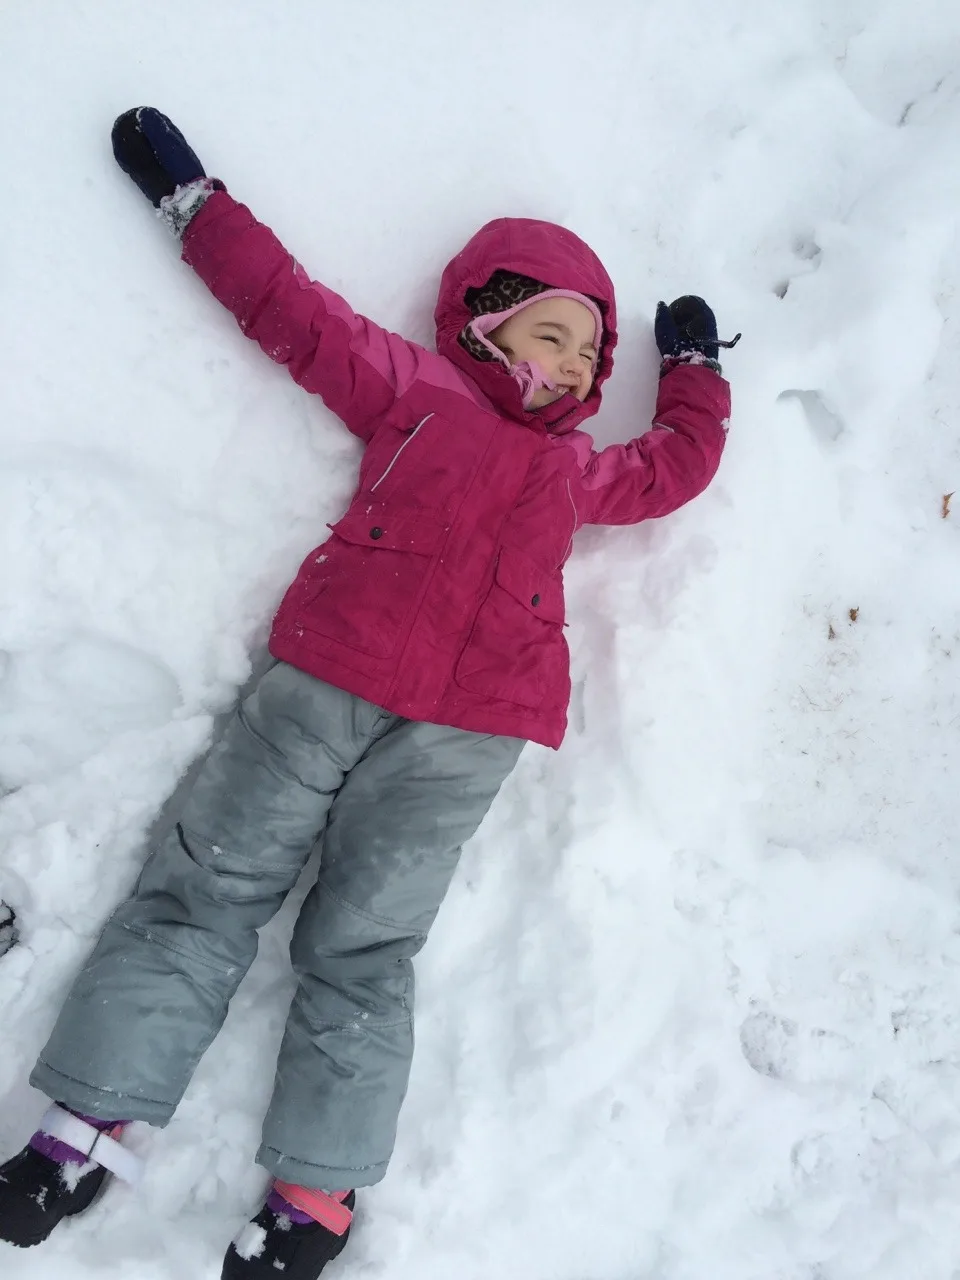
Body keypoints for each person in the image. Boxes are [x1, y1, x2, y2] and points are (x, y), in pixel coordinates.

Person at [0, 108, 737, 1278]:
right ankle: (82, 1124)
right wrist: (197, 205)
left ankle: (314, 1192)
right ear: (485, 320)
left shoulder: (579, 469)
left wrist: (694, 374)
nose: (576, 368)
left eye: (591, 358)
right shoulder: (415, 391)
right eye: (554, 334)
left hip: (467, 734)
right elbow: (291, 310)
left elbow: (676, 469)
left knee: (363, 945)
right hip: (324, 681)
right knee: (202, 889)